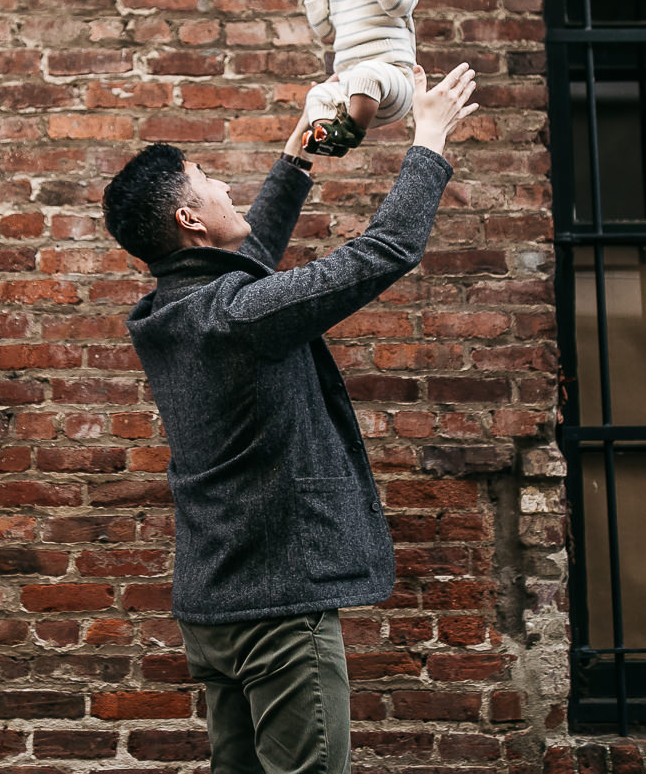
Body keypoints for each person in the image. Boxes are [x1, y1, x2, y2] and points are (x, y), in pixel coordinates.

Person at [100, 62, 479, 774]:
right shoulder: (238, 317)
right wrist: (429, 139)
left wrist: (299, 152)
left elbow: (243, 259)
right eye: (208, 181)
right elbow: (384, 251)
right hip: (279, 617)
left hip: (214, 611)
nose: (222, 186)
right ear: (188, 218)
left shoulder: (165, 314)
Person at [300, 0, 421, 157]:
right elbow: (325, 31)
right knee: (318, 94)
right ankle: (329, 134)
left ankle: (352, 131)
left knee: (367, 72)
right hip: (350, 89)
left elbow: (400, 4)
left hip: (393, 80)